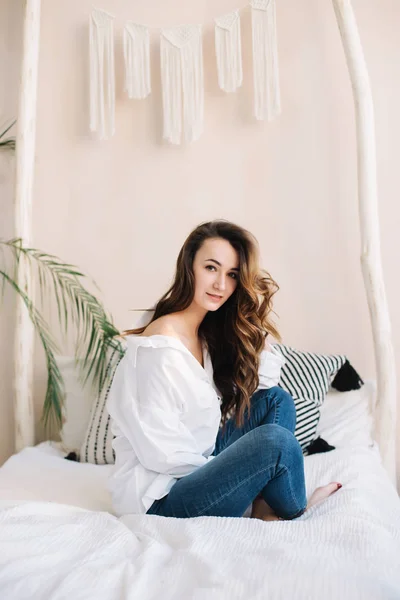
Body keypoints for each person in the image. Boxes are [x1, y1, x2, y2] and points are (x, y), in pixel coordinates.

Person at [107, 220, 342, 520]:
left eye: (232, 275)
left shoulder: (203, 334)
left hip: (196, 465)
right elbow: (160, 453)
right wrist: (232, 470)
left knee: (275, 400)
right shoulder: (160, 346)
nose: (221, 285)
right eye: (211, 268)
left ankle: (263, 506)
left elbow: (263, 385)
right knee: (275, 443)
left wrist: (256, 327)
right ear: (189, 265)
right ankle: (295, 508)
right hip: (161, 497)